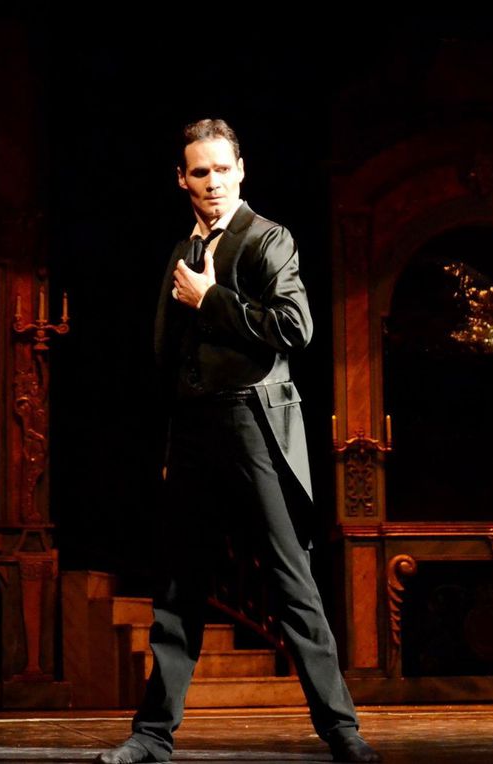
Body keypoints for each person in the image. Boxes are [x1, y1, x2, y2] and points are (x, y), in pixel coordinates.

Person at [95, 119, 380, 764]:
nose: (213, 183)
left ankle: (341, 729)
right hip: (195, 429)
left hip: (254, 423)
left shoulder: (267, 238)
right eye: (200, 172)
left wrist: (211, 299)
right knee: (178, 586)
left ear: (241, 170)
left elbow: (295, 327)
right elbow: (168, 356)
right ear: (182, 180)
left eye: (223, 170)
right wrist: (172, 444)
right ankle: (152, 734)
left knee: (290, 580)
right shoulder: (181, 250)